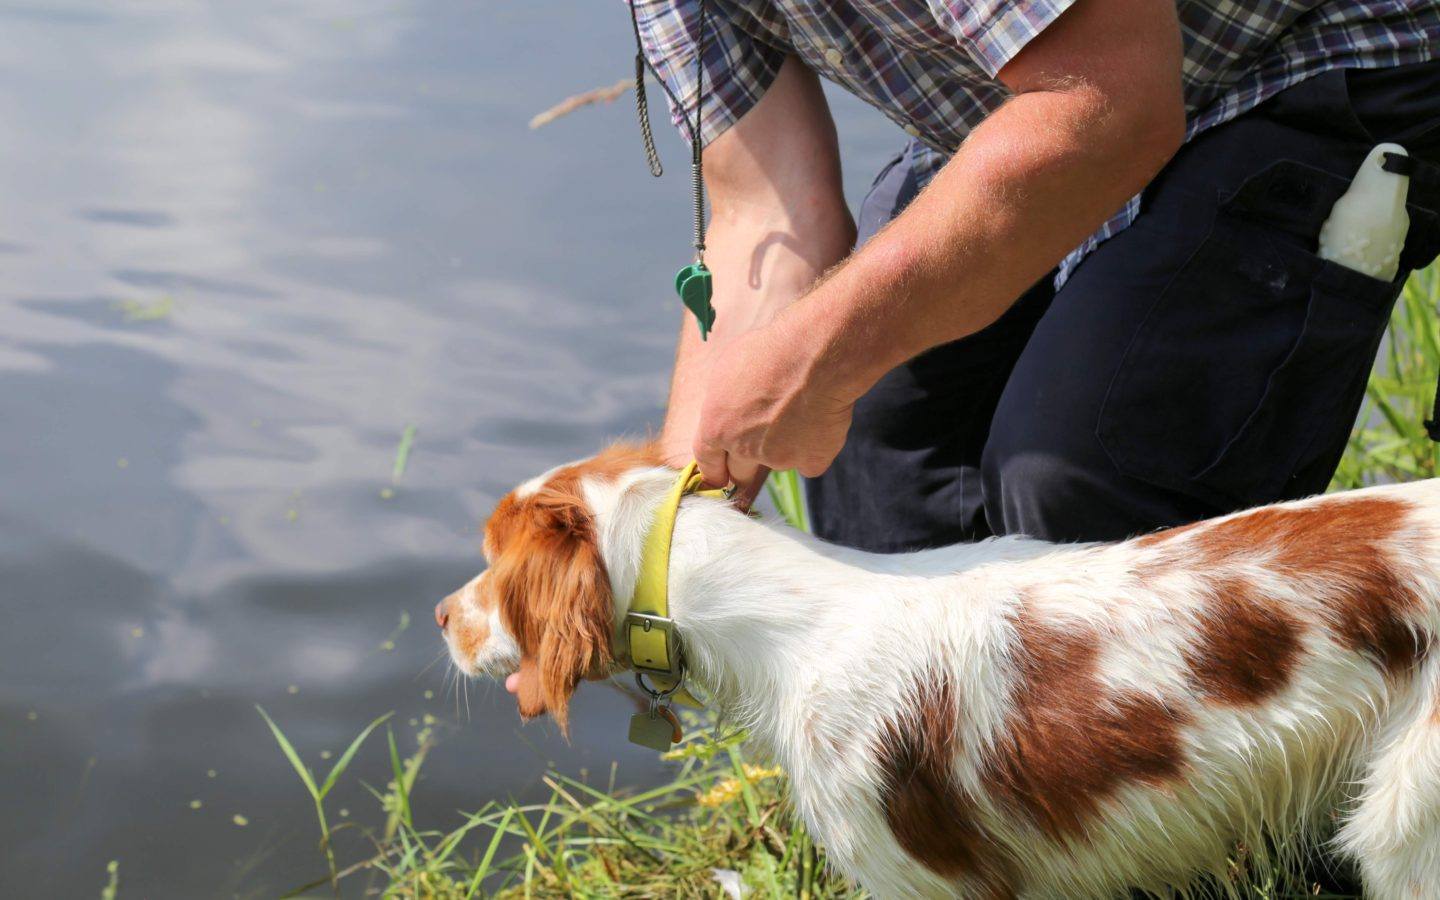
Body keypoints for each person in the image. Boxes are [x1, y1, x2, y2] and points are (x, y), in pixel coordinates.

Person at [628, 0, 1440, 553]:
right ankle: (952, 799)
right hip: (1050, 98)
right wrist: (661, 531)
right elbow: (763, 221)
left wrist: (816, 358)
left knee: (1079, 469)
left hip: (1301, 51)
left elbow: (1109, 104)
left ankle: (1244, 796)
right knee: (875, 438)